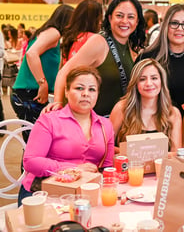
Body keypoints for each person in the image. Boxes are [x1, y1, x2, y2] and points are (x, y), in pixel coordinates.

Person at [17, 66, 115, 206]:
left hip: (86, 192)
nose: (86, 94)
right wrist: (72, 169)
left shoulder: (106, 125)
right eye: (79, 88)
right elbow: (30, 161)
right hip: (44, 192)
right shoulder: (49, 120)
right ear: (67, 91)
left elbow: (107, 167)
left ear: (97, 94)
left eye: (92, 89)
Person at [44, 0, 146, 117]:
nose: (124, 21)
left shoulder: (131, 47)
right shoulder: (99, 42)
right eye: (119, 15)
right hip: (94, 125)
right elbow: (65, 71)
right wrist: (58, 103)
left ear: (137, 21)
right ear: (110, 18)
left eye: (130, 17)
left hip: (118, 123)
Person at [137, 4, 184, 116]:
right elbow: (134, 95)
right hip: (158, 123)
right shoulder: (148, 57)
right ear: (166, 25)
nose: (180, 28)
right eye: (174, 23)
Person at [11, 4, 74, 128]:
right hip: (30, 92)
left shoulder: (50, 33)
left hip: (28, 92)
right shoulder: (54, 32)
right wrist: (42, 83)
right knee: (36, 138)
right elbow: (31, 54)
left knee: (33, 137)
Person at [110, 58, 181, 153]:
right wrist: (127, 152)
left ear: (162, 82)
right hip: (129, 166)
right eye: (142, 79)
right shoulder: (121, 108)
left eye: (154, 78)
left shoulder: (173, 113)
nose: (149, 83)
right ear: (135, 84)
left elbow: (176, 153)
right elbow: (106, 145)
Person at [61, 0, 103, 65]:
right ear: (94, 20)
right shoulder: (92, 38)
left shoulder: (71, 36)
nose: (101, 22)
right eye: (100, 18)